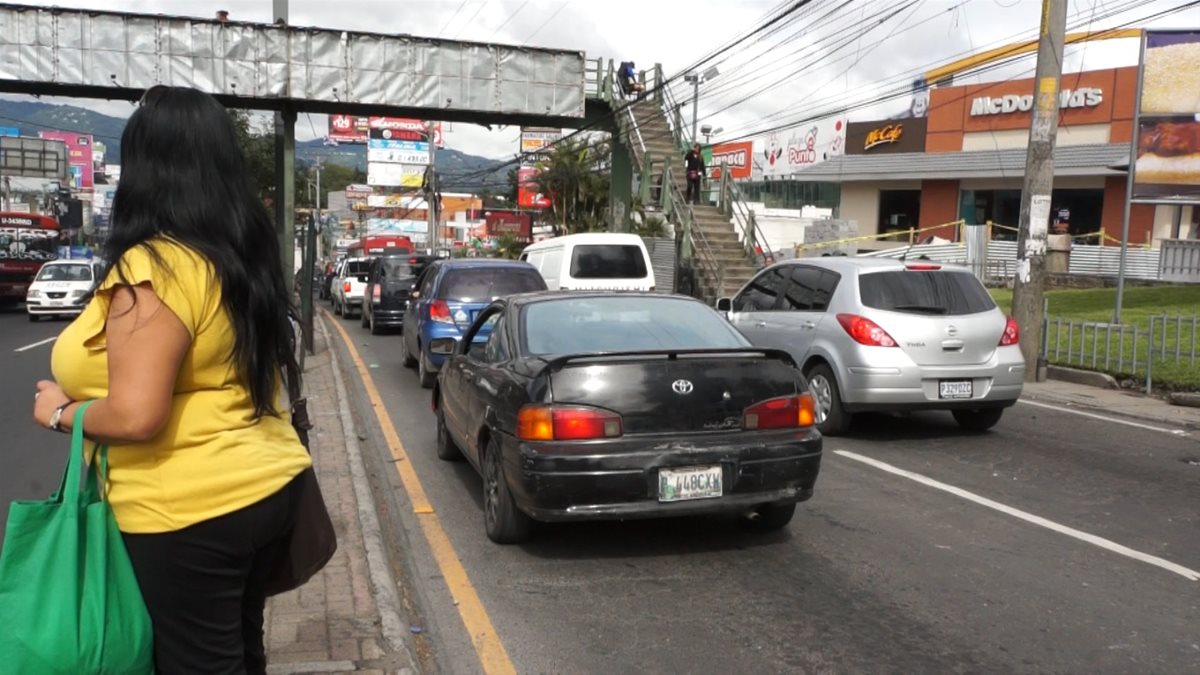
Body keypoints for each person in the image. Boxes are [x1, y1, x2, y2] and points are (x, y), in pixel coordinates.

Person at [32, 86, 313, 674]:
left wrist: (61, 411)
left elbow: (136, 415)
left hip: (187, 511)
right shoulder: (236, 259)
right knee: (239, 656)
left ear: (145, 169)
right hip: (268, 487)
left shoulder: (153, 268)